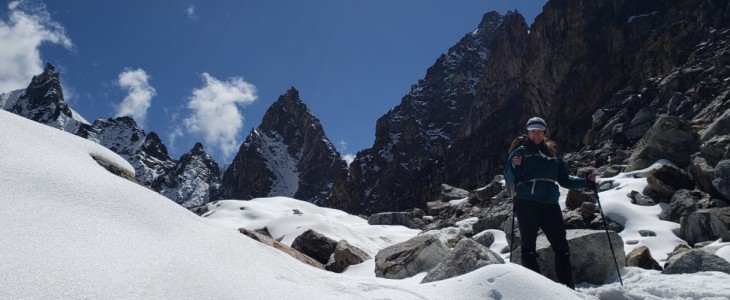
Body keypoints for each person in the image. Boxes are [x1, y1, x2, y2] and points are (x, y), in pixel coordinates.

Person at [503, 117, 596, 289]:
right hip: (527, 203)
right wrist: (515, 166)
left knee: (562, 247)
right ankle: (539, 292)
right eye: (533, 131)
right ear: (528, 132)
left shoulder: (553, 155)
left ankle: (568, 290)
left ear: (545, 132)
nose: (536, 134)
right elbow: (509, 176)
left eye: (539, 131)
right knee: (528, 248)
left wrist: (586, 182)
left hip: (550, 204)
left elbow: (565, 180)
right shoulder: (520, 151)